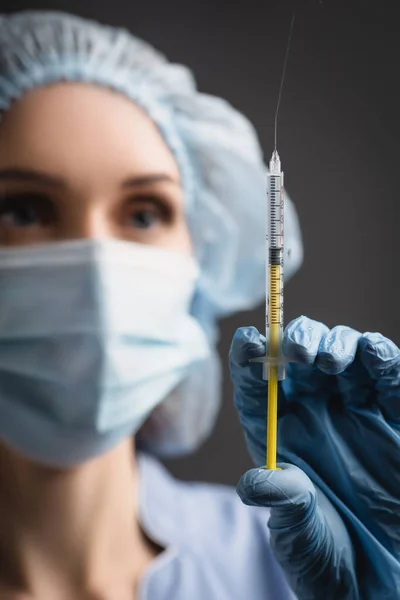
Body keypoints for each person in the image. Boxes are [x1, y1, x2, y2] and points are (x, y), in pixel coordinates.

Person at [0, 9, 398, 600]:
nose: (96, 267)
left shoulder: (290, 563)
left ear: (203, 251)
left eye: (143, 213)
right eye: (25, 210)